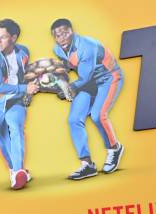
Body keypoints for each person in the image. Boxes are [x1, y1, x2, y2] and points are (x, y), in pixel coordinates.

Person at [51, 18, 125, 180]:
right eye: (57, 35)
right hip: (89, 83)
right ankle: (87, 165)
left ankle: (114, 148)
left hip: (108, 78)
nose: (61, 37)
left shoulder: (87, 46)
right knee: (74, 119)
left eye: (64, 32)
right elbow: (68, 66)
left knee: (98, 115)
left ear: (72, 31)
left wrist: (68, 89)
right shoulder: (57, 49)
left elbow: (84, 78)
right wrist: (53, 79)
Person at [0, 18, 39, 190]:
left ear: (13, 38)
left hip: (16, 100)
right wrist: (25, 88)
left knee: (16, 128)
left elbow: (25, 72)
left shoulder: (24, 52)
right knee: (2, 139)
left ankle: (19, 170)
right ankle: (15, 171)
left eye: (3, 37)